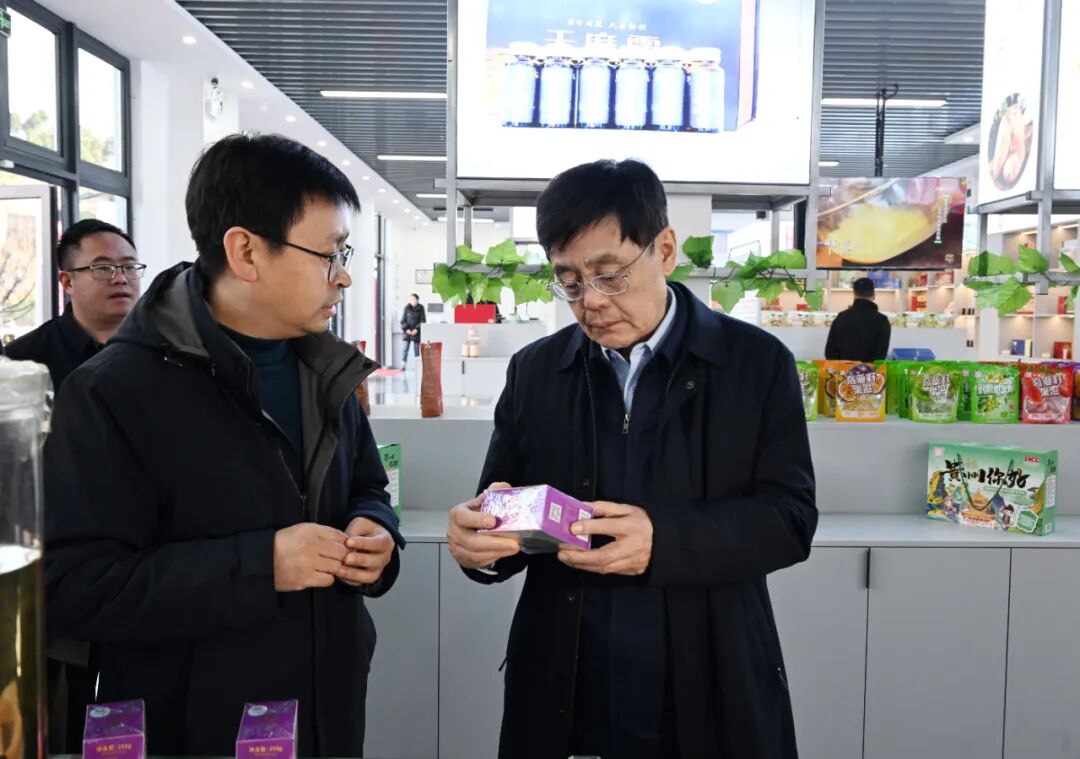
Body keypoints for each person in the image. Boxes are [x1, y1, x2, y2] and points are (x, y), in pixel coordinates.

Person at [44, 133, 404, 757]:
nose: (343, 277)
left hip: (328, 710)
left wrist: (375, 532)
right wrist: (264, 565)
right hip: (196, 728)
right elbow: (75, 588)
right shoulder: (114, 392)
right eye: (329, 254)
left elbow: (368, 486)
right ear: (245, 251)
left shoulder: (322, 367)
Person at [446, 159, 817, 759]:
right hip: (567, 682)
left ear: (664, 250)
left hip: (708, 677)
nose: (590, 302)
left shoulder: (754, 364)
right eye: (569, 281)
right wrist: (479, 543)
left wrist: (661, 540)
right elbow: (503, 506)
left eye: (609, 275)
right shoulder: (536, 371)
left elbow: (790, 520)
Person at [3, 219, 143, 390]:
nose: (121, 279)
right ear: (68, 282)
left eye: (129, 267)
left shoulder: (162, 349)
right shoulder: (21, 362)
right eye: (103, 268)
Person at [825, 276, 892, 361]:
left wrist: (842, 365)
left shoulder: (841, 317)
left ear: (854, 294)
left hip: (842, 369)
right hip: (869, 369)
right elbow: (880, 355)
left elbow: (829, 352)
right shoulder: (882, 321)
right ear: (874, 295)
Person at [400, 292, 425, 369]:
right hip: (407, 332)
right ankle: (403, 365)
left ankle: (417, 366)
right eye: (410, 299)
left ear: (417, 300)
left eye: (413, 299)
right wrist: (406, 329)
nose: (411, 300)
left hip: (416, 332)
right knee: (405, 349)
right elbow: (403, 321)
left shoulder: (421, 308)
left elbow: (423, 321)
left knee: (416, 350)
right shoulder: (406, 308)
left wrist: (416, 329)